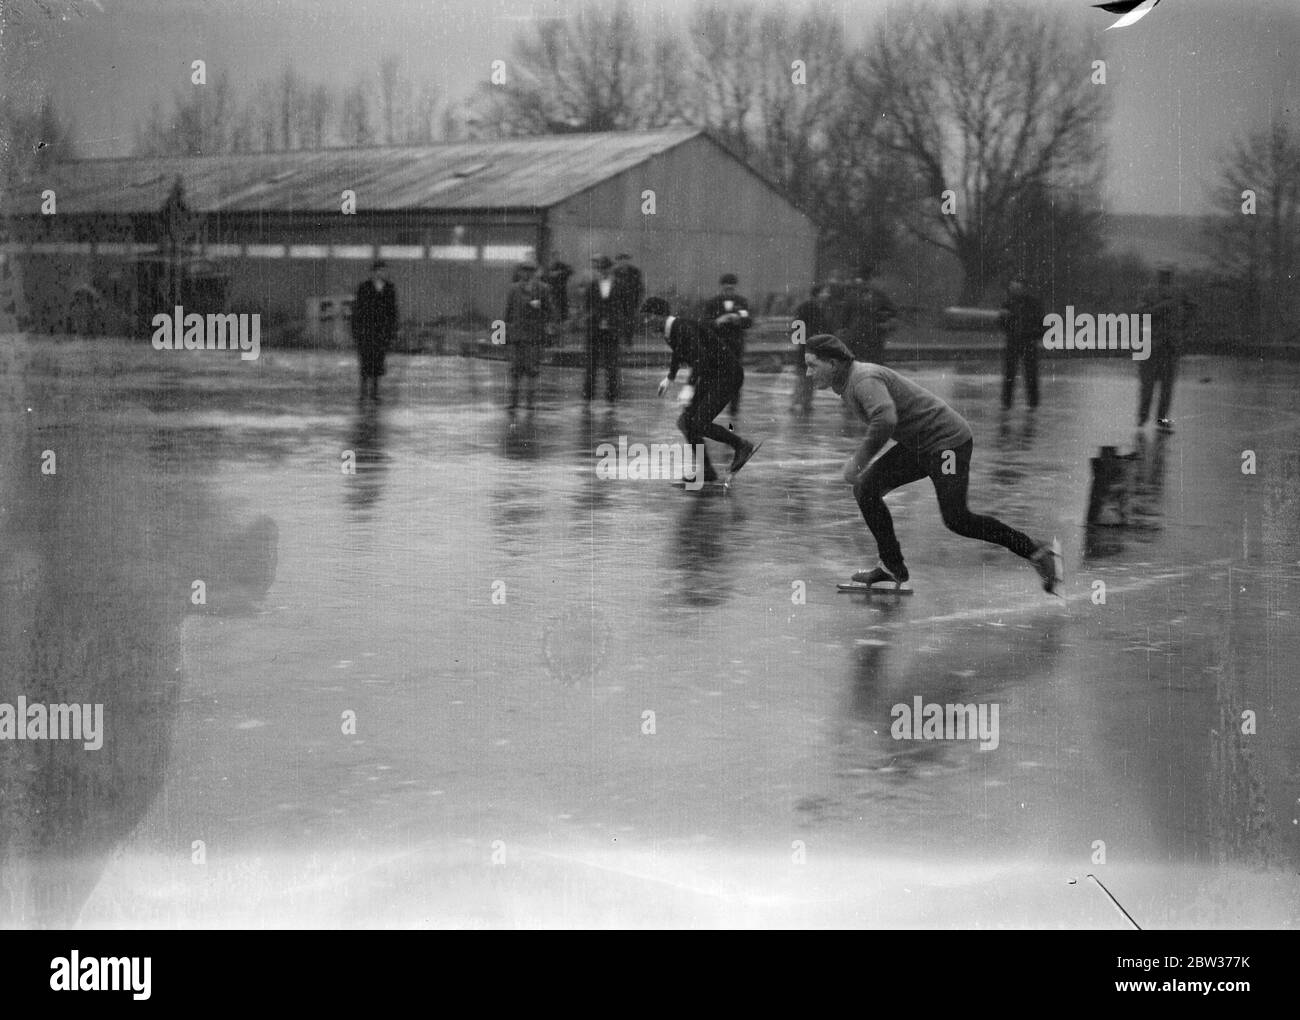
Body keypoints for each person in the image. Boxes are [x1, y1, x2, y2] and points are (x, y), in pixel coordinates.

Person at [803, 333, 1061, 593]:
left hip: (947, 444)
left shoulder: (863, 380)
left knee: (957, 519)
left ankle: (1036, 551)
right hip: (919, 445)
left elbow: (885, 420)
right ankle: (892, 566)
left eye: (812, 365)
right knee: (866, 490)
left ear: (833, 364)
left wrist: (858, 461)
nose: (807, 373)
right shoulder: (851, 381)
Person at [642, 296, 761, 485]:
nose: (646, 322)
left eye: (648, 317)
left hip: (727, 375)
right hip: (712, 375)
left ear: (660, 315)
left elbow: (700, 357)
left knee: (698, 422)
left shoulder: (680, 327)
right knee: (686, 422)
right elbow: (679, 351)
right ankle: (706, 471)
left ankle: (742, 446)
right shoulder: (672, 329)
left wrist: (689, 386)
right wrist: (670, 377)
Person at [1137, 264, 1195, 431]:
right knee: (1148, 385)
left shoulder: (1179, 292)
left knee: (1166, 387)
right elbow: (1139, 312)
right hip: (1151, 344)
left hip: (1170, 345)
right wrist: (1160, 308)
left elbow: (1192, 308)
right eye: (1164, 274)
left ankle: (1160, 418)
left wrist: (1184, 329)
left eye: (1167, 274)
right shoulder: (1148, 292)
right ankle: (1143, 416)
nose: (1165, 277)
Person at [503, 260, 554, 411]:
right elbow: (507, 314)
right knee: (515, 370)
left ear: (535, 272)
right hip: (517, 335)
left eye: (531, 271)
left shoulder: (543, 289)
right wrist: (502, 336)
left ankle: (530, 403)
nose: (527, 274)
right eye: (524, 271)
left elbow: (550, 312)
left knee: (532, 369)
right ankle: (514, 403)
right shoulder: (513, 289)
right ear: (520, 273)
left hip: (534, 336)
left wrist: (539, 312)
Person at [702, 273, 753, 418]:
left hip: (736, 345)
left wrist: (739, 320)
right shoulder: (712, 302)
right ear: (722, 288)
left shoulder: (742, 302)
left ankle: (734, 409)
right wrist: (718, 321)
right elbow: (705, 323)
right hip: (717, 344)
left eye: (732, 288)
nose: (729, 291)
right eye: (727, 288)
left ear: (735, 288)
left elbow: (748, 322)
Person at [583, 254, 630, 403]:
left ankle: (611, 395)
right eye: (600, 269)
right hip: (594, 329)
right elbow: (587, 306)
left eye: (605, 268)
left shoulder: (620, 285)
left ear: (610, 269)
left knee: (611, 364)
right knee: (591, 364)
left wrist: (620, 325)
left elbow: (625, 308)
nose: (602, 271)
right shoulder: (592, 285)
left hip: (612, 330)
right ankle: (588, 395)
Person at [352, 259, 398, 400]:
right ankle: (363, 391)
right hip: (366, 331)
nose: (381, 273)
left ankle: (375, 392)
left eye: (383, 271)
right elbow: (357, 309)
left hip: (381, 332)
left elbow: (393, 311)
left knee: (378, 361)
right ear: (373, 272)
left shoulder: (390, 288)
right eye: (379, 270)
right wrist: (355, 330)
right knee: (365, 360)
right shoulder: (364, 287)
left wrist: (393, 331)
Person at [999, 274, 1044, 409]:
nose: (1014, 290)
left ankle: (1032, 403)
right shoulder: (1008, 303)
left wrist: (1033, 334)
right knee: (1009, 374)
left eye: (1017, 288)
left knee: (1030, 374)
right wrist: (1005, 319)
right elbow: (1001, 323)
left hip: (1028, 342)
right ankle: (1007, 403)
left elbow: (1042, 323)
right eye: (1013, 288)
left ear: (1023, 289)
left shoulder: (1033, 303)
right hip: (1013, 342)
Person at [790, 284, 833, 413]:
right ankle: (797, 402)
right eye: (825, 292)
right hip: (807, 347)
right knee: (803, 375)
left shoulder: (824, 308)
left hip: (818, 347)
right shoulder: (807, 306)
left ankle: (806, 402)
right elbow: (797, 325)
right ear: (818, 293)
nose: (827, 294)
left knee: (812, 375)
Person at [842, 264, 898, 363]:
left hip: (868, 334)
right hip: (862, 334)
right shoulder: (855, 295)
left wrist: (885, 324)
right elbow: (845, 316)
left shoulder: (876, 295)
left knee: (865, 361)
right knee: (866, 361)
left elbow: (892, 312)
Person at [613, 253, 644, 325]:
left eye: (625, 259)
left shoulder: (635, 271)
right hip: (618, 300)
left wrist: (638, 300)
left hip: (631, 300)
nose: (623, 261)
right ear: (618, 261)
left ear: (628, 260)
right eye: (621, 259)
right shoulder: (614, 272)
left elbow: (639, 287)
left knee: (630, 321)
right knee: (618, 321)